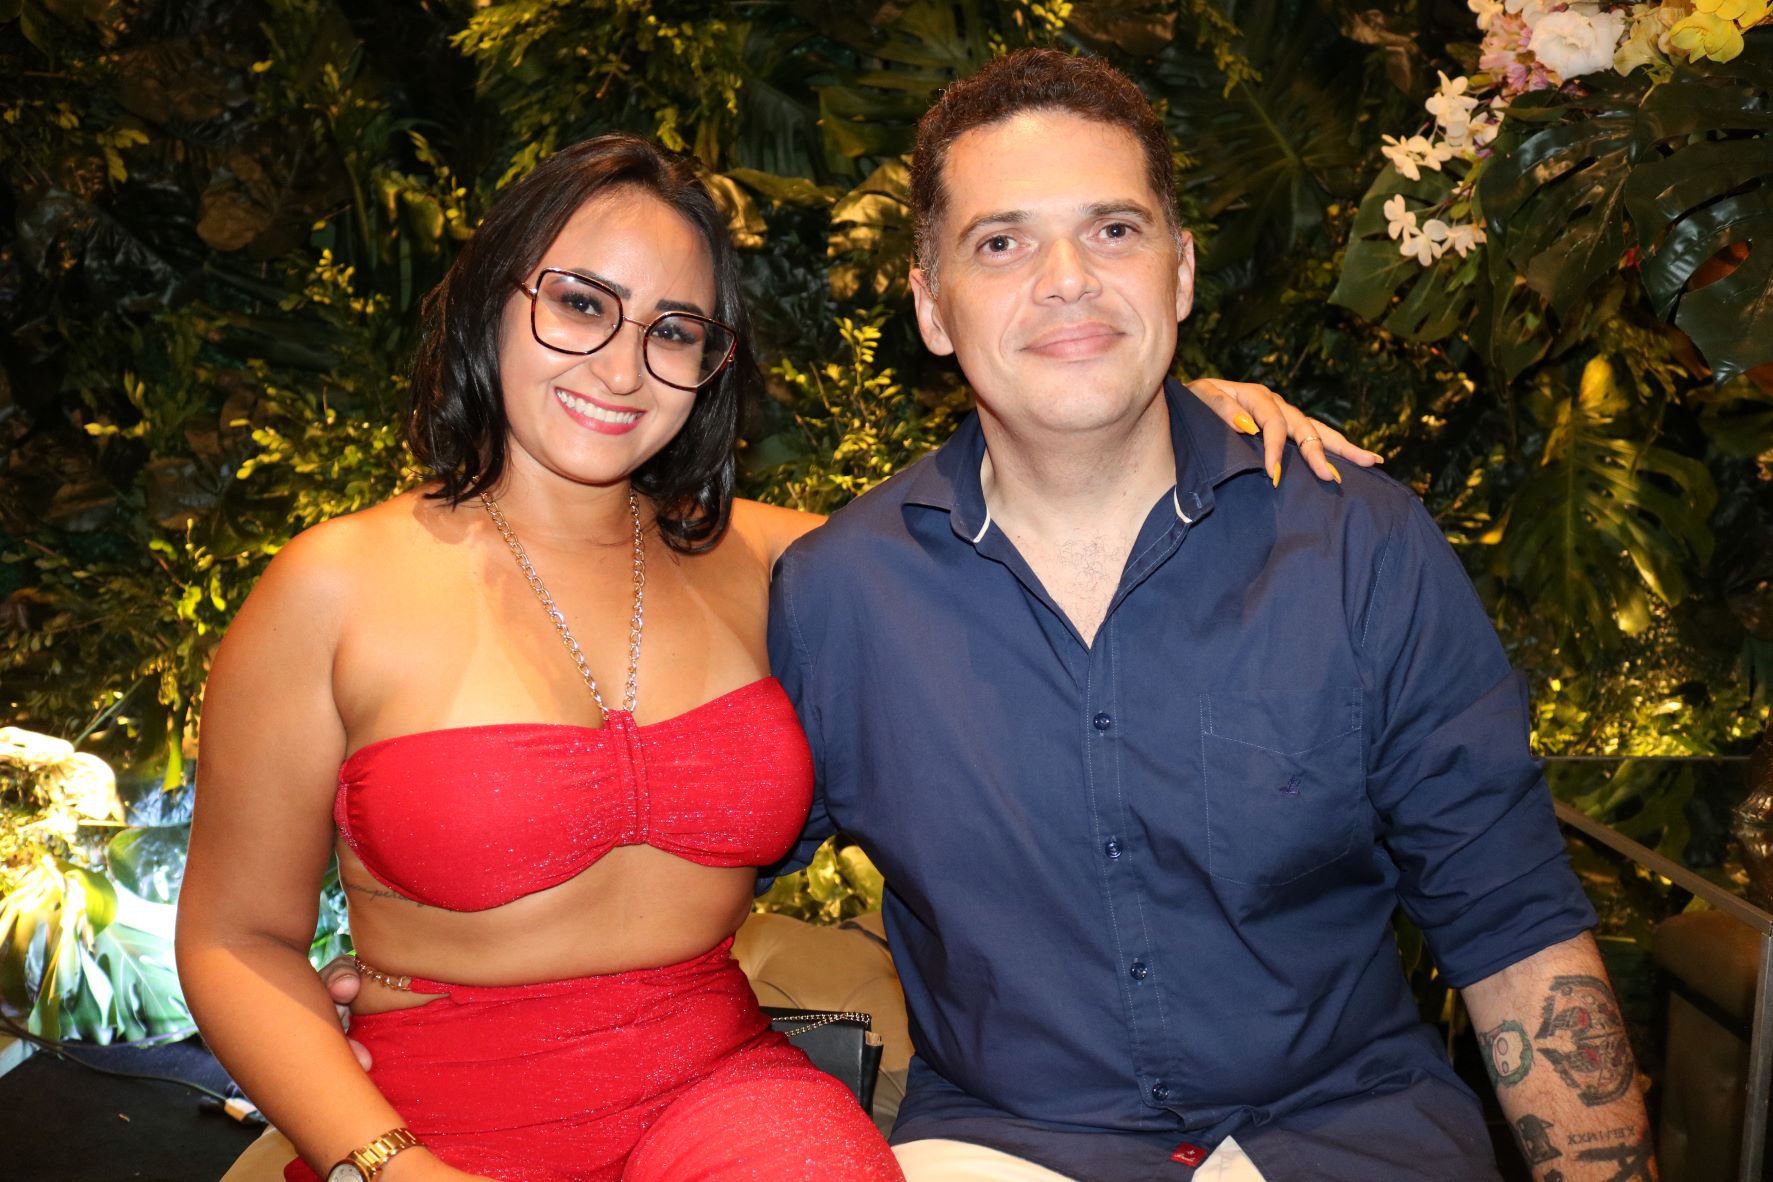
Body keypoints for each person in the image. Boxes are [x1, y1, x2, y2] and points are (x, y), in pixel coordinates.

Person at [178, 133, 1352, 1182]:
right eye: (581, 305)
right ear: (494, 299)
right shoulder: (335, 586)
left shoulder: (784, 565)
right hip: (427, 1120)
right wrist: (382, 1164)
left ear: (712, 364)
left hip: (721, 1098)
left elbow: (1024, 525)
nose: (622, 369)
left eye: (673, 331)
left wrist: (1148, 412)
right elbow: (235, 941)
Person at [759, 50, 1655, 1182]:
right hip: (1009, 1146)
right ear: (932, 307)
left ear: (1179, 273)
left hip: (1348, 1132)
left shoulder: (1355, 544)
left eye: (1113, 230)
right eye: (1002, 243)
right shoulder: (843, 596)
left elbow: (1510, 919)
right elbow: (687, 889)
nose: (1068, 279)